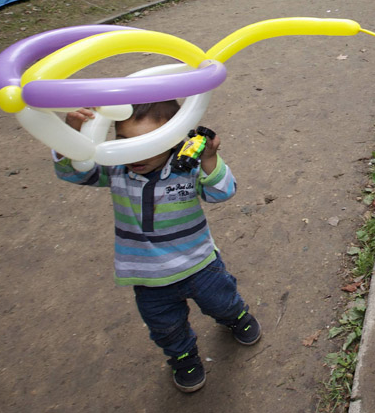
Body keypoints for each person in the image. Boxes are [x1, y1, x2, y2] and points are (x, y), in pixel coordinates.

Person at [54, 102, 261, 393]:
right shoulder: (116, 170)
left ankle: (236, 316)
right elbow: (73, 172)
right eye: (125, 142)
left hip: (199, 264)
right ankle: (184, 357)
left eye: (148, 143)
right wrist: (71, 135)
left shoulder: (185, 169)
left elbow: (222, 192)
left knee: (222, 300)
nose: (135, 153)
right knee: (166, 327)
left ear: (174, 140)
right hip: (148, 277)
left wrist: (210, 159)